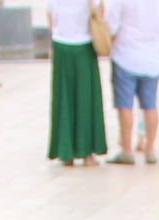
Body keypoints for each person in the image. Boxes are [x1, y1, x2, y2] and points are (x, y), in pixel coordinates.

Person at [106, 0, 159, 161]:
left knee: (125, 106)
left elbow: (111, 25)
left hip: (125, 55)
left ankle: (127, 150)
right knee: (150, 106)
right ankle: (150, 149)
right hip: (151, 58)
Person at [48, 0, 106, 161]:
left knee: (64, 98)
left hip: (61, 44)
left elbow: (51, 16)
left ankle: (65, 152)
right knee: (86, 99)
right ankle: (87, 153)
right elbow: (100, 15)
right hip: (84, 45)